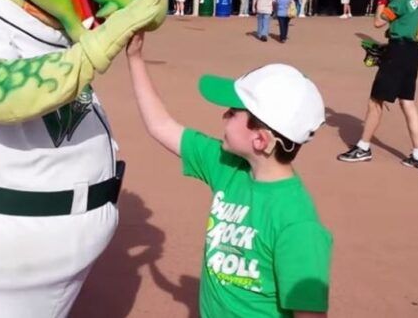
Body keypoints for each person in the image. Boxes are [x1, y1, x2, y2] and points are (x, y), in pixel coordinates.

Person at [125, 38, 333, 318]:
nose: (224, 115)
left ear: (260, 139)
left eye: (233, 112)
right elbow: (160, 125)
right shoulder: (228, 167)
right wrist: (135, 57)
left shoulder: (298, 224)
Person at [337, 0, 418, 170]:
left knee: (375, 101)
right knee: (407, 102)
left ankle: (363, 147)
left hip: (399, 52)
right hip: (413, 51)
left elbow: (378, 22)